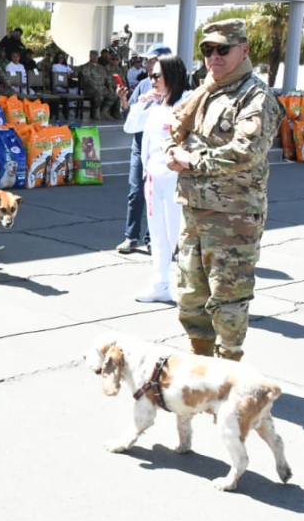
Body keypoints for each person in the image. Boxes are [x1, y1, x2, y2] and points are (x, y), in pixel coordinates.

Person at [165, 19, 284, 362]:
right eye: (207, 49)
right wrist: (175, 155)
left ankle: (229, 373)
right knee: (190, 295)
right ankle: (201, 367)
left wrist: (191, 160)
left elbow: (247, 151)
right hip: (195, 208)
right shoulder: (207, 91)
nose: (213, 56)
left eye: (222, 49)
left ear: (243, 50)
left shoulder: (255, 96)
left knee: (228, 299)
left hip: (233, 215)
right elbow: (183, 135)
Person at [118, 54, 190, 303]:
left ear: (173, 74)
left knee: (178, 235)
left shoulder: (187, 102)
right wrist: (140, 102)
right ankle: (160, 284)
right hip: (154, 178)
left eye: (156, 76)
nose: (152, 80)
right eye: (150, 76)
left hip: (177, 179)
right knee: (158, 233)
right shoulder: (155, 105)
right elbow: (130, 127)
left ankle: (187, 286)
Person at [117, 43, 173, 253]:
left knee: (157, 195)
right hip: (140, 147)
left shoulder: (177, 88)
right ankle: (131, 236)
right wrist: (124, 99)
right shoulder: (142, 85)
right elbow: (128, 118)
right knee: (136, 192)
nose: (148, 65)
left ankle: (152, 239)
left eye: (152, 60)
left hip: (161, 151)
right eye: (147, 61)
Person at [77, 50, 113, 120]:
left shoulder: (101, 67)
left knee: (113, 94)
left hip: (101, 88)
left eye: (96, 56)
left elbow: (107, 78)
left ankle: (104, 112)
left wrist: (110, 87)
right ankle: (96, 112)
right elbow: (87, 79)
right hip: (90, 89)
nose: (95, 57)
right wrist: (97, 87)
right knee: (99, 92)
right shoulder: (86, 66)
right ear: (90, 56)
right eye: (93, 56)